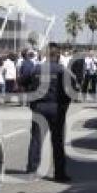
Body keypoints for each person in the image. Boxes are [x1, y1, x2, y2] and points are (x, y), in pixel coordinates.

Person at [24, 42, 76, 182]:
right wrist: (64, 107)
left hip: (39, 107)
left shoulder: (36, 69)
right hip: (56, 109)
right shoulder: (62, 70)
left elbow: (25, 84)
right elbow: (71, 91)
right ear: (58, 55)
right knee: (57, 142)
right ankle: (59, 174)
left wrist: (32, 102)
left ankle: (31, 171)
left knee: (36, 140)